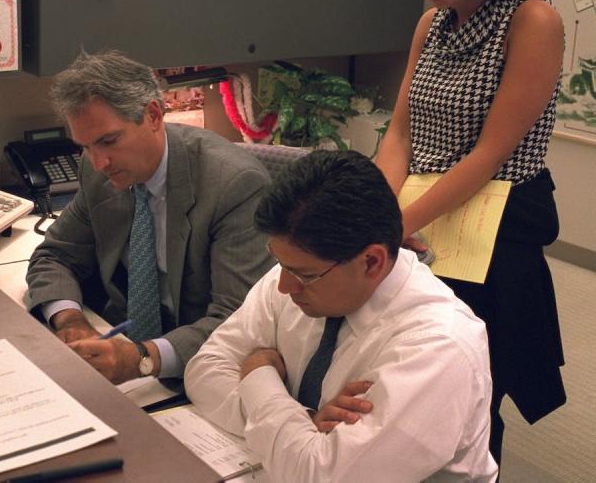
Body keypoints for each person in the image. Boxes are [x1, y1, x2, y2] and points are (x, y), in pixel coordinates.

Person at [374, 0, 566, 465]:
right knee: (410, 370)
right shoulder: (432, 22)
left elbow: (488, 154)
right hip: (420, 211)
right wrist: (380, 216)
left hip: (494, 222)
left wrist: (395, 225)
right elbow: (401, 133)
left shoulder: (532, 21)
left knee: (473, 385)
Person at [185, 150, 498, 482]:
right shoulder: (303, 271)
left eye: (303, 274)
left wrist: (258, 374)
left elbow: (319, 476)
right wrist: (303, 421)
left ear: (372, 262)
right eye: (281, 263)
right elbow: (204, 370)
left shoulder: (438, 344)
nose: (283, 286)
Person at [26, 52, 272, 384]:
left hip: (196, 370)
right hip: (121, 348)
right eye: (86, 147)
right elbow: (54, 255)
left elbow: (237, 322)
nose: (99, 162)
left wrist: (143, 359)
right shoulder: (100, 172)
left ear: (154, 115)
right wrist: (71, 322)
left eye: (109, 141)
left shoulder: (233, 185)